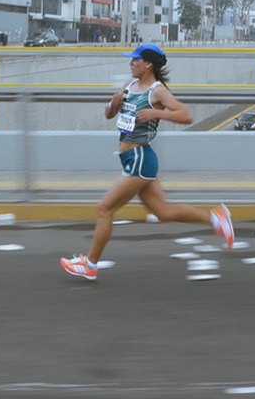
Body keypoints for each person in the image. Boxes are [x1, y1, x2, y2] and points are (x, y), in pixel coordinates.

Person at [59, 43, 235, 281]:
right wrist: (114, 104)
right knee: (164, 212)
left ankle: (89, 264)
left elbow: (186, 115)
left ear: (148, 63)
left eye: (135, 60)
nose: (131, 63)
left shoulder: (157, 91)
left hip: (141, 158)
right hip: (131, 158)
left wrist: (157, 113)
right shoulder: (130, 85)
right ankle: (217, 220)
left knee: (105, 209)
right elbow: (110, 115)